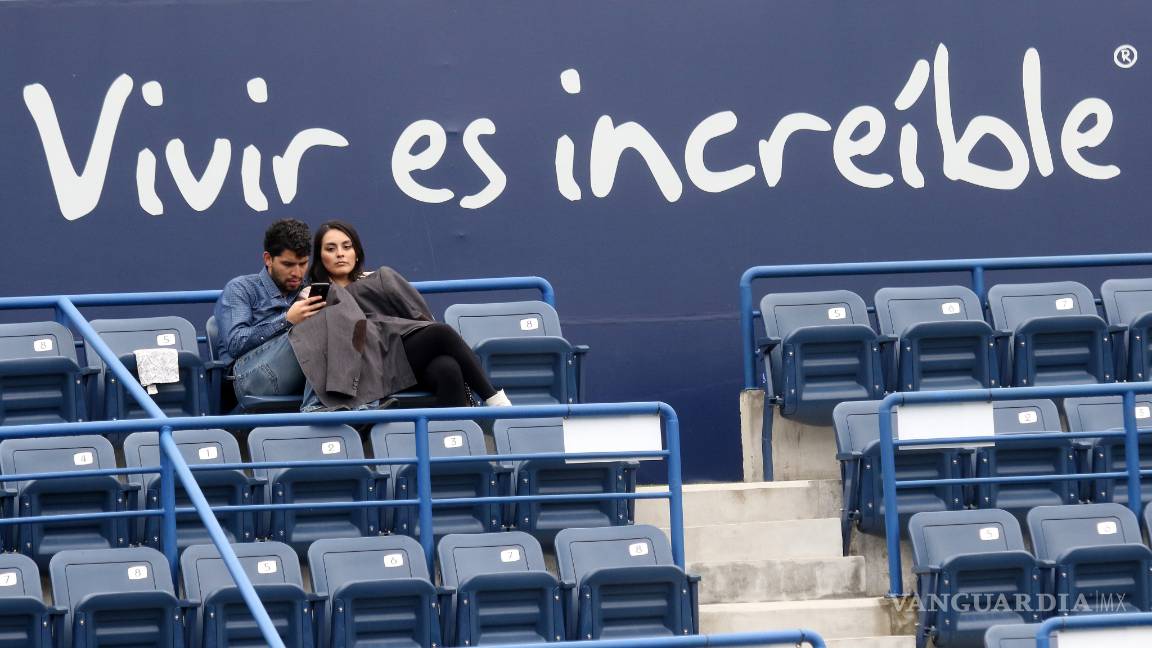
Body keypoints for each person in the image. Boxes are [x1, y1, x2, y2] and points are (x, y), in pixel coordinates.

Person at [304, 220, 511, 408]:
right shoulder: (314, 295)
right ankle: (496, 402)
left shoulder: (380, 278)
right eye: (331, 249)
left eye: (346, 247)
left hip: (401, 358)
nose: (340, 253)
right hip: (366, 370)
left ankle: (455, 439)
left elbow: (414, 314)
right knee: (441, 333)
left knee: (448, 368)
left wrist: (380, 282)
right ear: (320, 258)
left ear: (356, 252)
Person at [214, 219, 326, 402]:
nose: (297, 273)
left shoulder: (307, 289)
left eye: (303, 263)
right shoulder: (240, 288)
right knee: (308, 333)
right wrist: (287, 319)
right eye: (288, 264)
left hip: (300, 376)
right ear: (268, 259)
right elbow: (235, 344)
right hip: (246, 379)